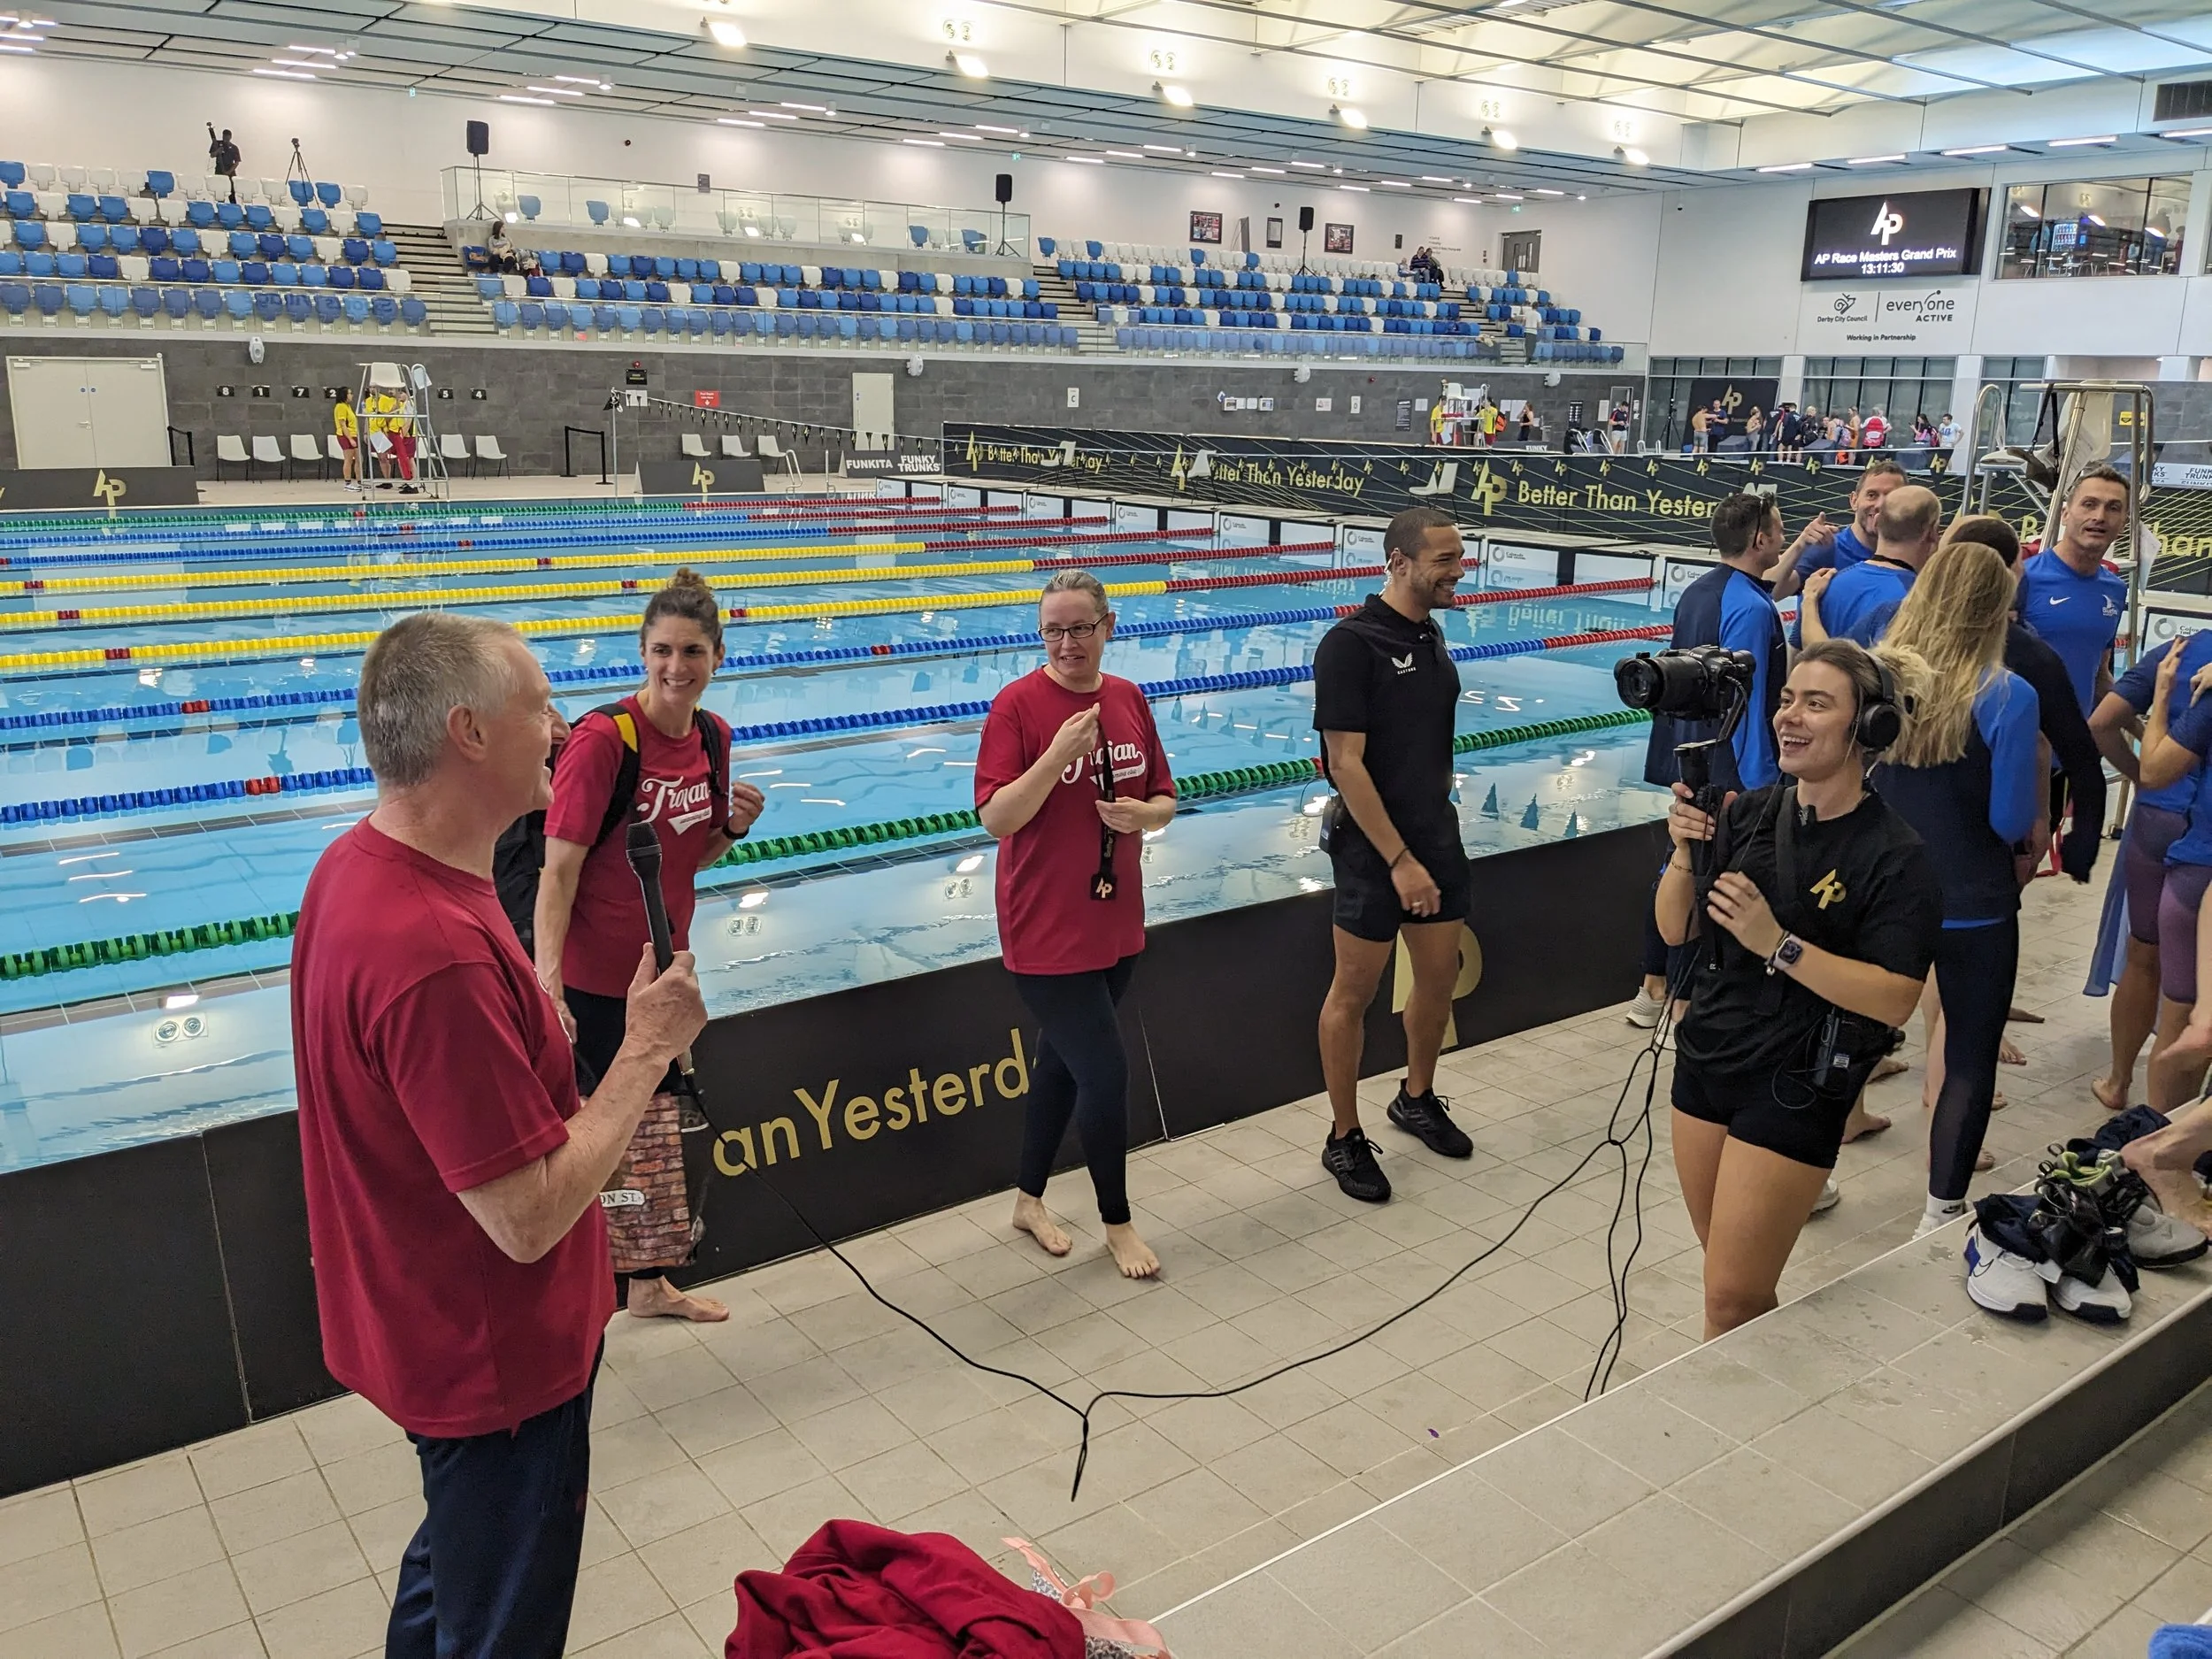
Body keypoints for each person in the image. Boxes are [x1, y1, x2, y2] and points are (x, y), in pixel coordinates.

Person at [292, 611, 707, 1658]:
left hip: (426, 1328)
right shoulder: (433, 954)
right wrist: (645, 1050)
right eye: (537, 707)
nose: (561, 726)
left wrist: (520, 1007)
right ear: (469, 732)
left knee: (451, 1576)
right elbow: (525, 1218)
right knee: (499, 1625)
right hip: (494, 1365)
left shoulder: (357, 867)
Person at [1658, 639, 1940, 1336]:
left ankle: (1738, 1426)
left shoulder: (1896, 855)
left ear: (1866, 727)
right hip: (1707, 1060)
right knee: (1727, 1281)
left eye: (1817, 703)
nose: (1791, 716)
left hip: (1793, 1084)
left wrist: (1776, 943)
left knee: (1731, 1295)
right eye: (1788, 700)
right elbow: (1675, 931)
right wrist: (1682, 853)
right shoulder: (1747, 813)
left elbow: (1894, 996)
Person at [534, 570, 766, 1321]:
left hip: (665, 973)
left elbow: (687, 858)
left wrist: (731, 829)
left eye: (692, 651)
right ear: (642, 651)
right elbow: (558, 872)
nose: (677, 666)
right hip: (599, 979)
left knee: (655, 1127)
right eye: (663, 649)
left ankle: (645, 1283)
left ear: (718, 656)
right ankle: (586, 1286)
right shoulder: (607, 741)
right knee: (604, 1132)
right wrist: (549, 985)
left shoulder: (713, 738)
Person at [976, 571, 1176, 1279]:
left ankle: (1028, 1200)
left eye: (1080, 627)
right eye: (1053, 630)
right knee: (1105, 1070)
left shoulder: (1128, 698)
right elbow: (996, 816)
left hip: (1116, 917)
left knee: (1060, 1065)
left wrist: (1144, 816)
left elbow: (1164, 794)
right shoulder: (1017, 707)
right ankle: (1117, 1223)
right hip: (1045, 927)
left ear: (1108, 626)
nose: (1067, 642)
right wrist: (1057, 755)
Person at [1872, 544, 2041, 1236]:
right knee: (1970, 1050)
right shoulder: (2007, 693)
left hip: (1884, 892)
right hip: (1973, 899)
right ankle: (1941, 1209)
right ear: (1997, 610)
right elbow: (2007, 821)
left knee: (1848, 1033)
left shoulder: (1877, 674)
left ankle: (1809, 1172)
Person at [1312, 506, 1479, 1203]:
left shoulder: (1429, 632)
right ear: (1399, 561)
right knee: (1354, 993)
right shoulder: (1349, 644)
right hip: (1373, 847)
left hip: (1435, 834)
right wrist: (1399, 858)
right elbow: (1344, 763)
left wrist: (1426, 842)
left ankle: (1416, 1096)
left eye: (1459, 556)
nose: (1458, 569)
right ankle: (1343, 1136)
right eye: (1444, 559)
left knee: (1437, 978)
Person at [2092, 626, 2212, 1110]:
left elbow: (2103, 722)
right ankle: (2164, 1133)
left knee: (2143, 954)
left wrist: (2138, 775)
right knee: (2188, 1002)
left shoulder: (2184, 650)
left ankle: (2119, 1081)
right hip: (2201, 843)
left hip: (2157, 819)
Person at [2020, 464, 2131, 728]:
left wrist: (2141, 730)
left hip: (2068, 754)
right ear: (2065, 514)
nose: (2100, 516)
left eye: (2113, 508)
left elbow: (2099, 677)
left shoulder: (2115, 590)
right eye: (2089, 504)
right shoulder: (2022, 578)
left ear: (2125, 522)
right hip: (2015, 754)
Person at [1798, 482, 1942, 647]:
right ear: (1931, 533)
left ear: (1877, 521)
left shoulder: (1821, 587)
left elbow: (1797, 660)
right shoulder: (1919, 600)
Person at [1773, 458, 1907, 601]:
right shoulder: (1828, 547)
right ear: (1854, 501)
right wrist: (1799, 545)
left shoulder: (1909, 556)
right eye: (1872, 495)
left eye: (1891, 497)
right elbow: (1774, 592)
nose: (1880, 504)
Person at [333, 391, 359, 492]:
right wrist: (350, 439)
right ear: (344, 395)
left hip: (353, 434)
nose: (352, 395)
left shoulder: (347, 406)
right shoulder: (341, 407)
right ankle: (347, 483)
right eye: (350, 393)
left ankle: (359, 482)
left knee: (358, 459)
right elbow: (343, 425)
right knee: (348, 459)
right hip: (345, 436)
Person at [206, 123, 240, 204]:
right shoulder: (217, 144)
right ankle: (221, 207)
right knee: (220, 191)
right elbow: (212, 155)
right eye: (225, 137)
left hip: (230, 171)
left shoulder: (234, 147)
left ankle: (233, 208)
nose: (226, 139)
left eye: (228, 138)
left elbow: (237, 162)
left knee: (232, 192)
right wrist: (218, 151)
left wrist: (229, 172)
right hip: (219, 170)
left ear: (230, 137)